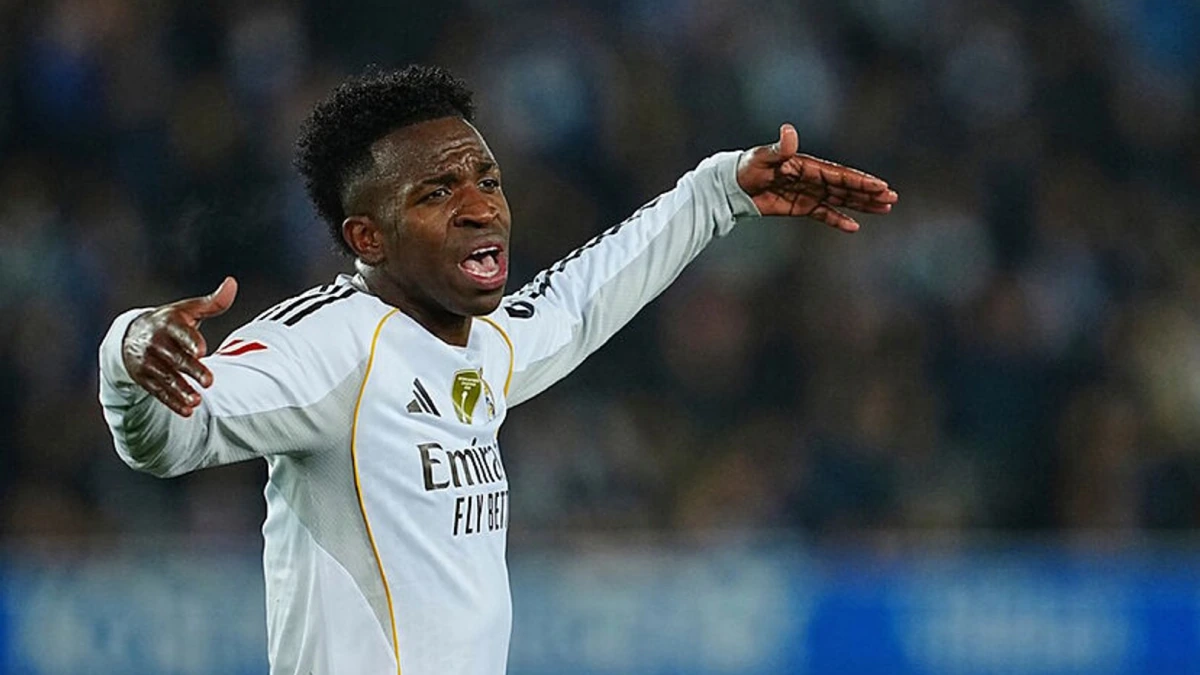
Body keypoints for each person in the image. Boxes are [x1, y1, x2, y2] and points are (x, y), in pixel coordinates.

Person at [98, 65, 897, 675]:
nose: (480, 206)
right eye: (437, 192)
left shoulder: (480, 342)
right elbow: (172, 437)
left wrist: (720, 192)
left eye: (487, 180)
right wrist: (129, 353)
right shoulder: (331, 344)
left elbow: (580, 299)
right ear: (368, 238)